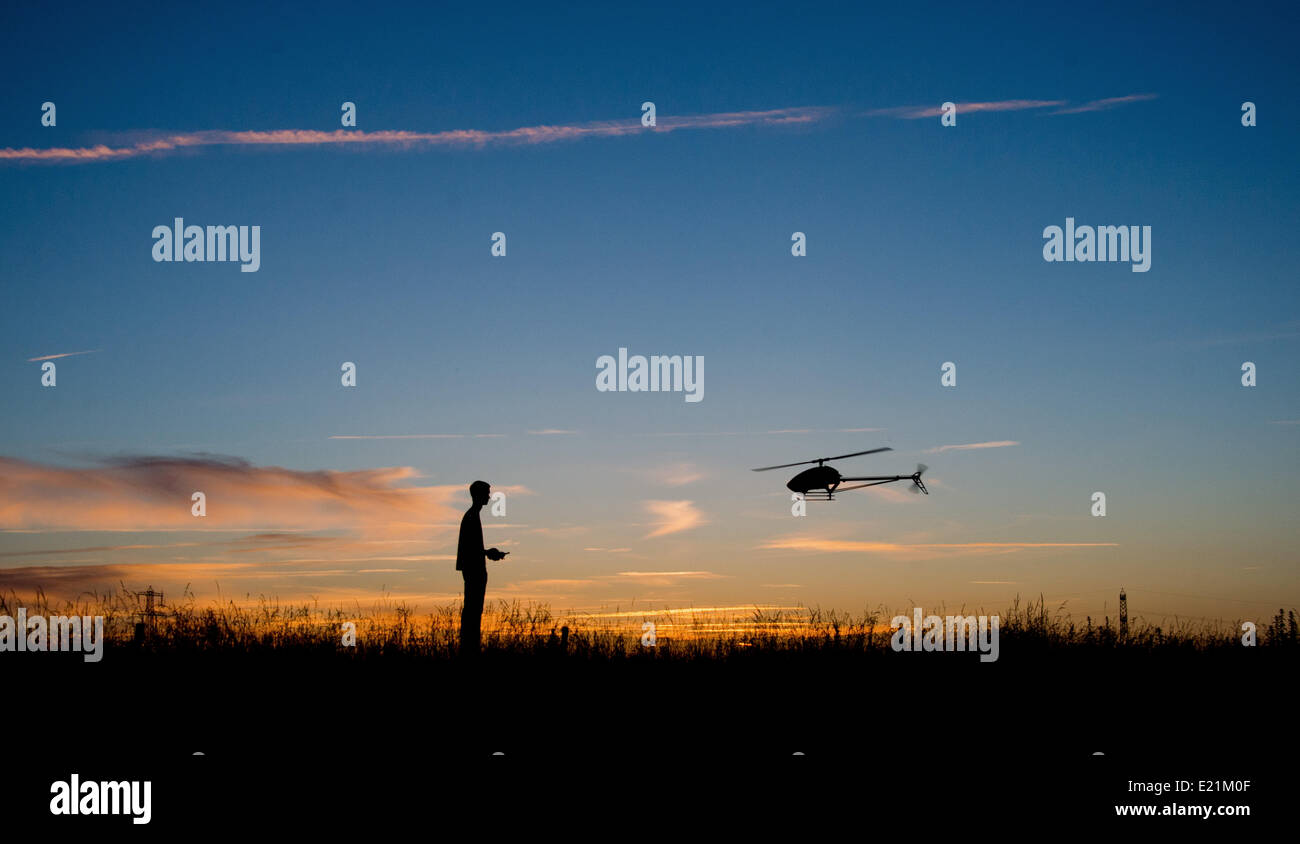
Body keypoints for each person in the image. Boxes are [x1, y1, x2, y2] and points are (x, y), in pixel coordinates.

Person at [456, 480, 508, 655]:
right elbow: (470, 549)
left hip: (474, 569)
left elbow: (472, 548)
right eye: (486, 493)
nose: (489, 497)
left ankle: (470, 648)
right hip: (474, 571)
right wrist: (487, 553)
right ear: (478, 495)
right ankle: (469, 650)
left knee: (473, 610)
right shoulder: (471, 517)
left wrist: (487, 552)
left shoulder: (472, 516)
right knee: (473, 610)